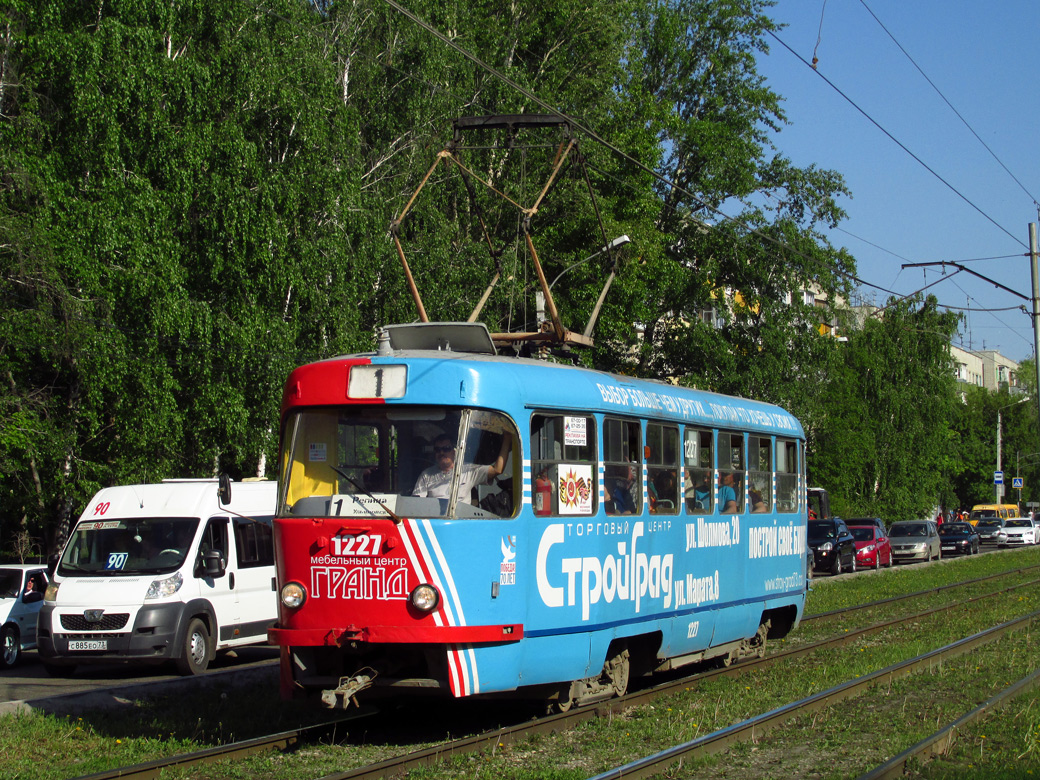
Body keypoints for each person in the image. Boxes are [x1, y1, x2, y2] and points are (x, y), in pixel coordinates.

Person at [412, 433, 511, 501]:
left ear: (455, 451)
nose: (441, 453)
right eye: (438, 449)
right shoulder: (426, 475)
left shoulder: (468, 471)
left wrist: (507, 438)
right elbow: (416, 503)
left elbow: (497, 470)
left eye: (446, 449)